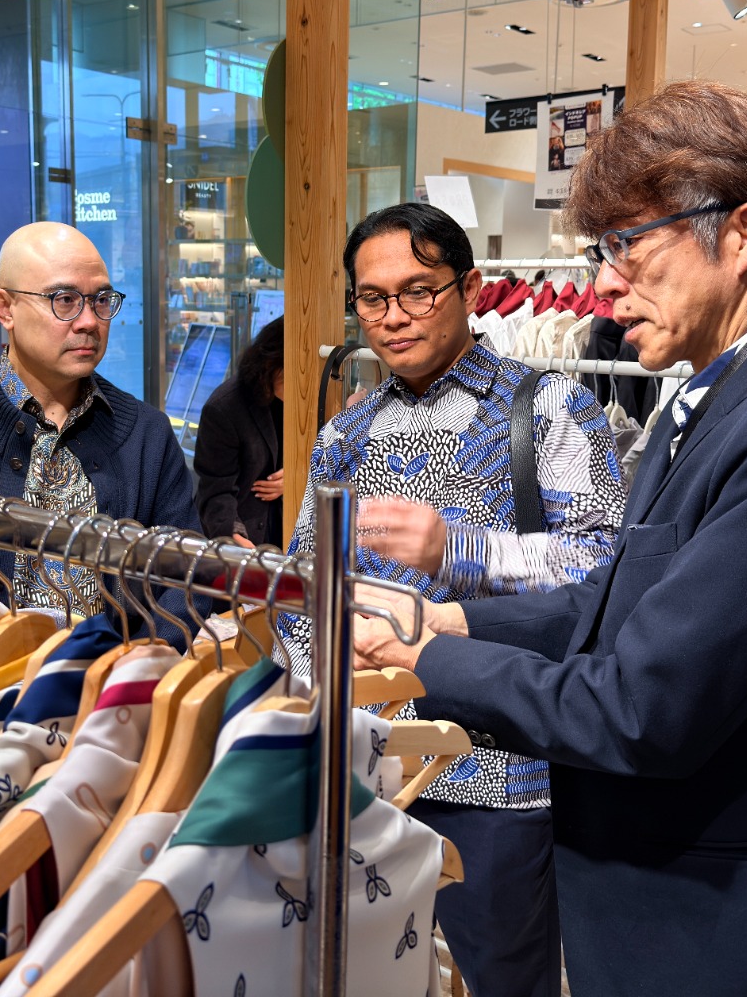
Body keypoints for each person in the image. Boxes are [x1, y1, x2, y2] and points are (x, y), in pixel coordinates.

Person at [354, 81, 747, 997]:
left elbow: (647, 706)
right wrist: (450, 622)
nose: (605, 286)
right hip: (671, 904)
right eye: (600, 252)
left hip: (738, 929)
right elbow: (621, 595)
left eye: (628, 245)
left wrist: (426, 655)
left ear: (743, 233)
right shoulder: (718, 395)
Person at [287, 204, 627, 997]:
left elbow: (603, 570)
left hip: (499, 772)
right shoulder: (345, 435)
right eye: (372, 298)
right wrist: (312, 698)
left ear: (469, 289)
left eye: (419, 290)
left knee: (499, 978)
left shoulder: (547, 407)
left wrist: (456, 552)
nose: (394, 316)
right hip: (363, 771)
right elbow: (306, 588)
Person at [0, 223, 201, 639]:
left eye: (101, 300)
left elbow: (183, 577)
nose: (89, 321)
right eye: (64, 300)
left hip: (123, 674)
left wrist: (132, 667)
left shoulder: (147, 433)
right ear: (4, 308)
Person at [192, 316, 285, 547]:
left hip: (293, 526)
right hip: (247, 530)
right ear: (270, 363)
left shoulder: (309, 397)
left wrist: (299, 477)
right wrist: (233, 535)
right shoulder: (224, 408)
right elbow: (215, 490)